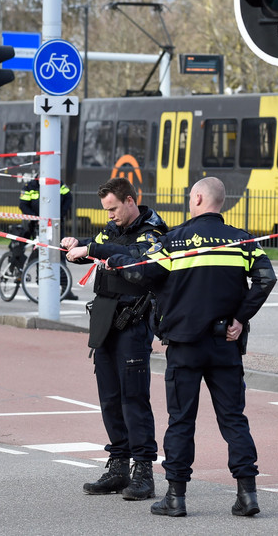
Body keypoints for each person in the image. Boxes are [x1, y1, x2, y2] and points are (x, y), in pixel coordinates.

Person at [106, 177, 277, 518]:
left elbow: (142, 273)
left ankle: (176, 497)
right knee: (233, 419)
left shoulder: (174, 240)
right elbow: (266, 278)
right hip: (224, 343)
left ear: (198, 198)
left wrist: (108, 258)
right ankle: (247, 494)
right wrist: (240, 318)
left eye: (189, 197)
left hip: (184, 346)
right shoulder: (243, 241)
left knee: (181, 420)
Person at [61, 177, 168, 502]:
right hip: (106, 321)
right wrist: (76, 246)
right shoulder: (110, 229)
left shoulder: (153, 231)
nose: (109, 216)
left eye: (113, 209)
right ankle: (119, 464)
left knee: (133, 398)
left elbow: (133, 256)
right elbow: (98, 246)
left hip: (133, 322)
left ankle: (143, 471)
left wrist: (92, 247)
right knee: (109, 397)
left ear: (131, 201)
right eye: (105, 210)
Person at [18, 177, 78, 300]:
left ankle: (65, 289)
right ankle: (44, 290)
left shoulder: (58, 183)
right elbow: (23, 205)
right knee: (42, 256)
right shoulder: (30, 186)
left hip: (56, 225)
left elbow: (68, 198)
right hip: (37, 226)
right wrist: (36, 218)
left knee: (60, 255)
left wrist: (60, 215)